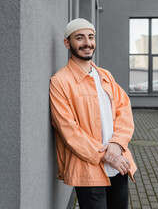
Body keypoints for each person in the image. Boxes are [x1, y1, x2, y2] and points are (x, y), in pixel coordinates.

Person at [49, 18, 137, 209]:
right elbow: (68, 130)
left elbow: (124, 110)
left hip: (118, 164)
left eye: (91, 37)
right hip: (88, 169)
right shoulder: (60, 81)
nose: (87, 43)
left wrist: (116, 144)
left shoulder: (105, 75)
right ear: (67, 43)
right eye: (79, 38)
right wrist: (107, 155)